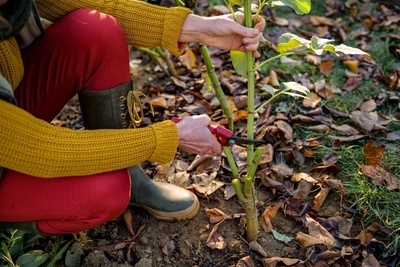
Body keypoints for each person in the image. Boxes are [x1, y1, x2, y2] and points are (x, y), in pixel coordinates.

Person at [0, 0, 265, 234]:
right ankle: (19, 217)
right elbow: (43, 150)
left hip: (10, 110)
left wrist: (201, 27)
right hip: (17, 143)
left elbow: (97, 5)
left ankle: (129, 173)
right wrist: (166, 137)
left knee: (96, 29)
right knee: (108, 191)